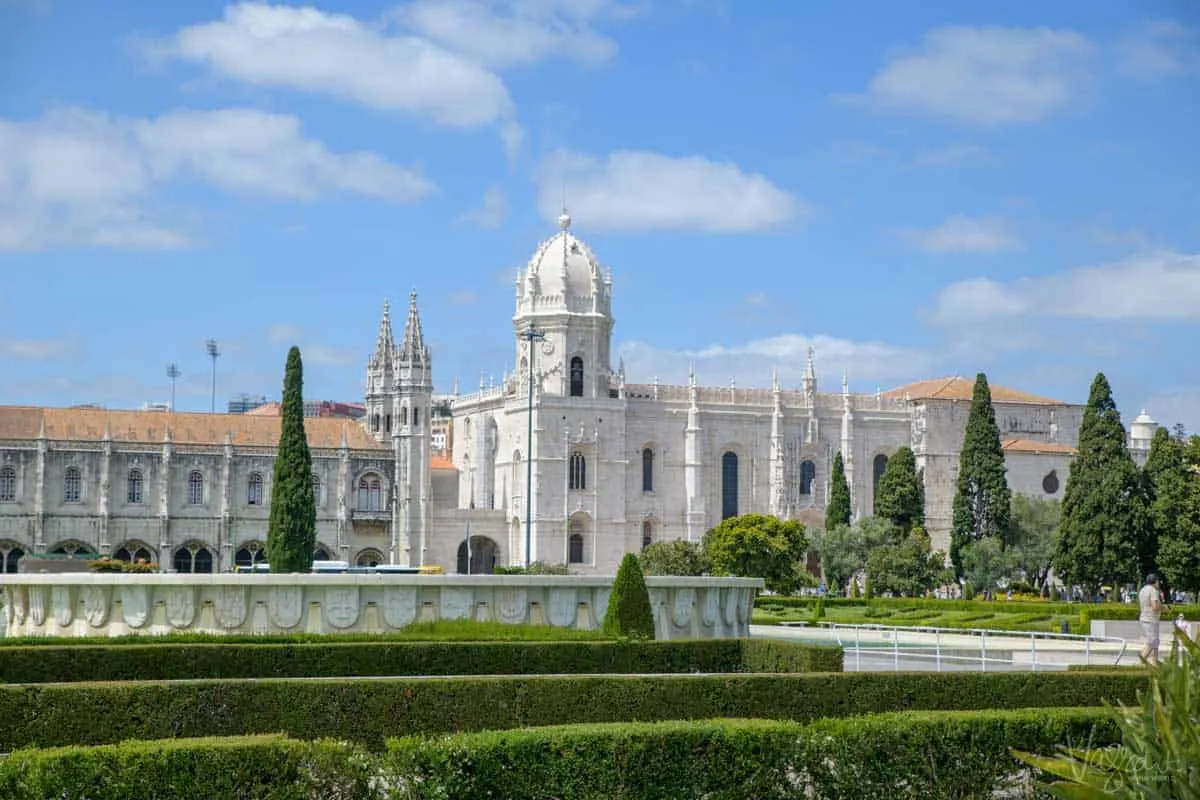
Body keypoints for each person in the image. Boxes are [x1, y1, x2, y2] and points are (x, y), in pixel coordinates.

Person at [1138, 574, 1164, 665]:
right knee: (1152, 642)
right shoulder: (1153, 590)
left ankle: (1154, 662)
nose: (1159, 583)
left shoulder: (1143, 589)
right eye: (1158, 581)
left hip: (1145, 618)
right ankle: (1141, 659)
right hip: (1150, 619)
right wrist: (1164, 607)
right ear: (1155, 581)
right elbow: (1154, 606)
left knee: (1155, 642)